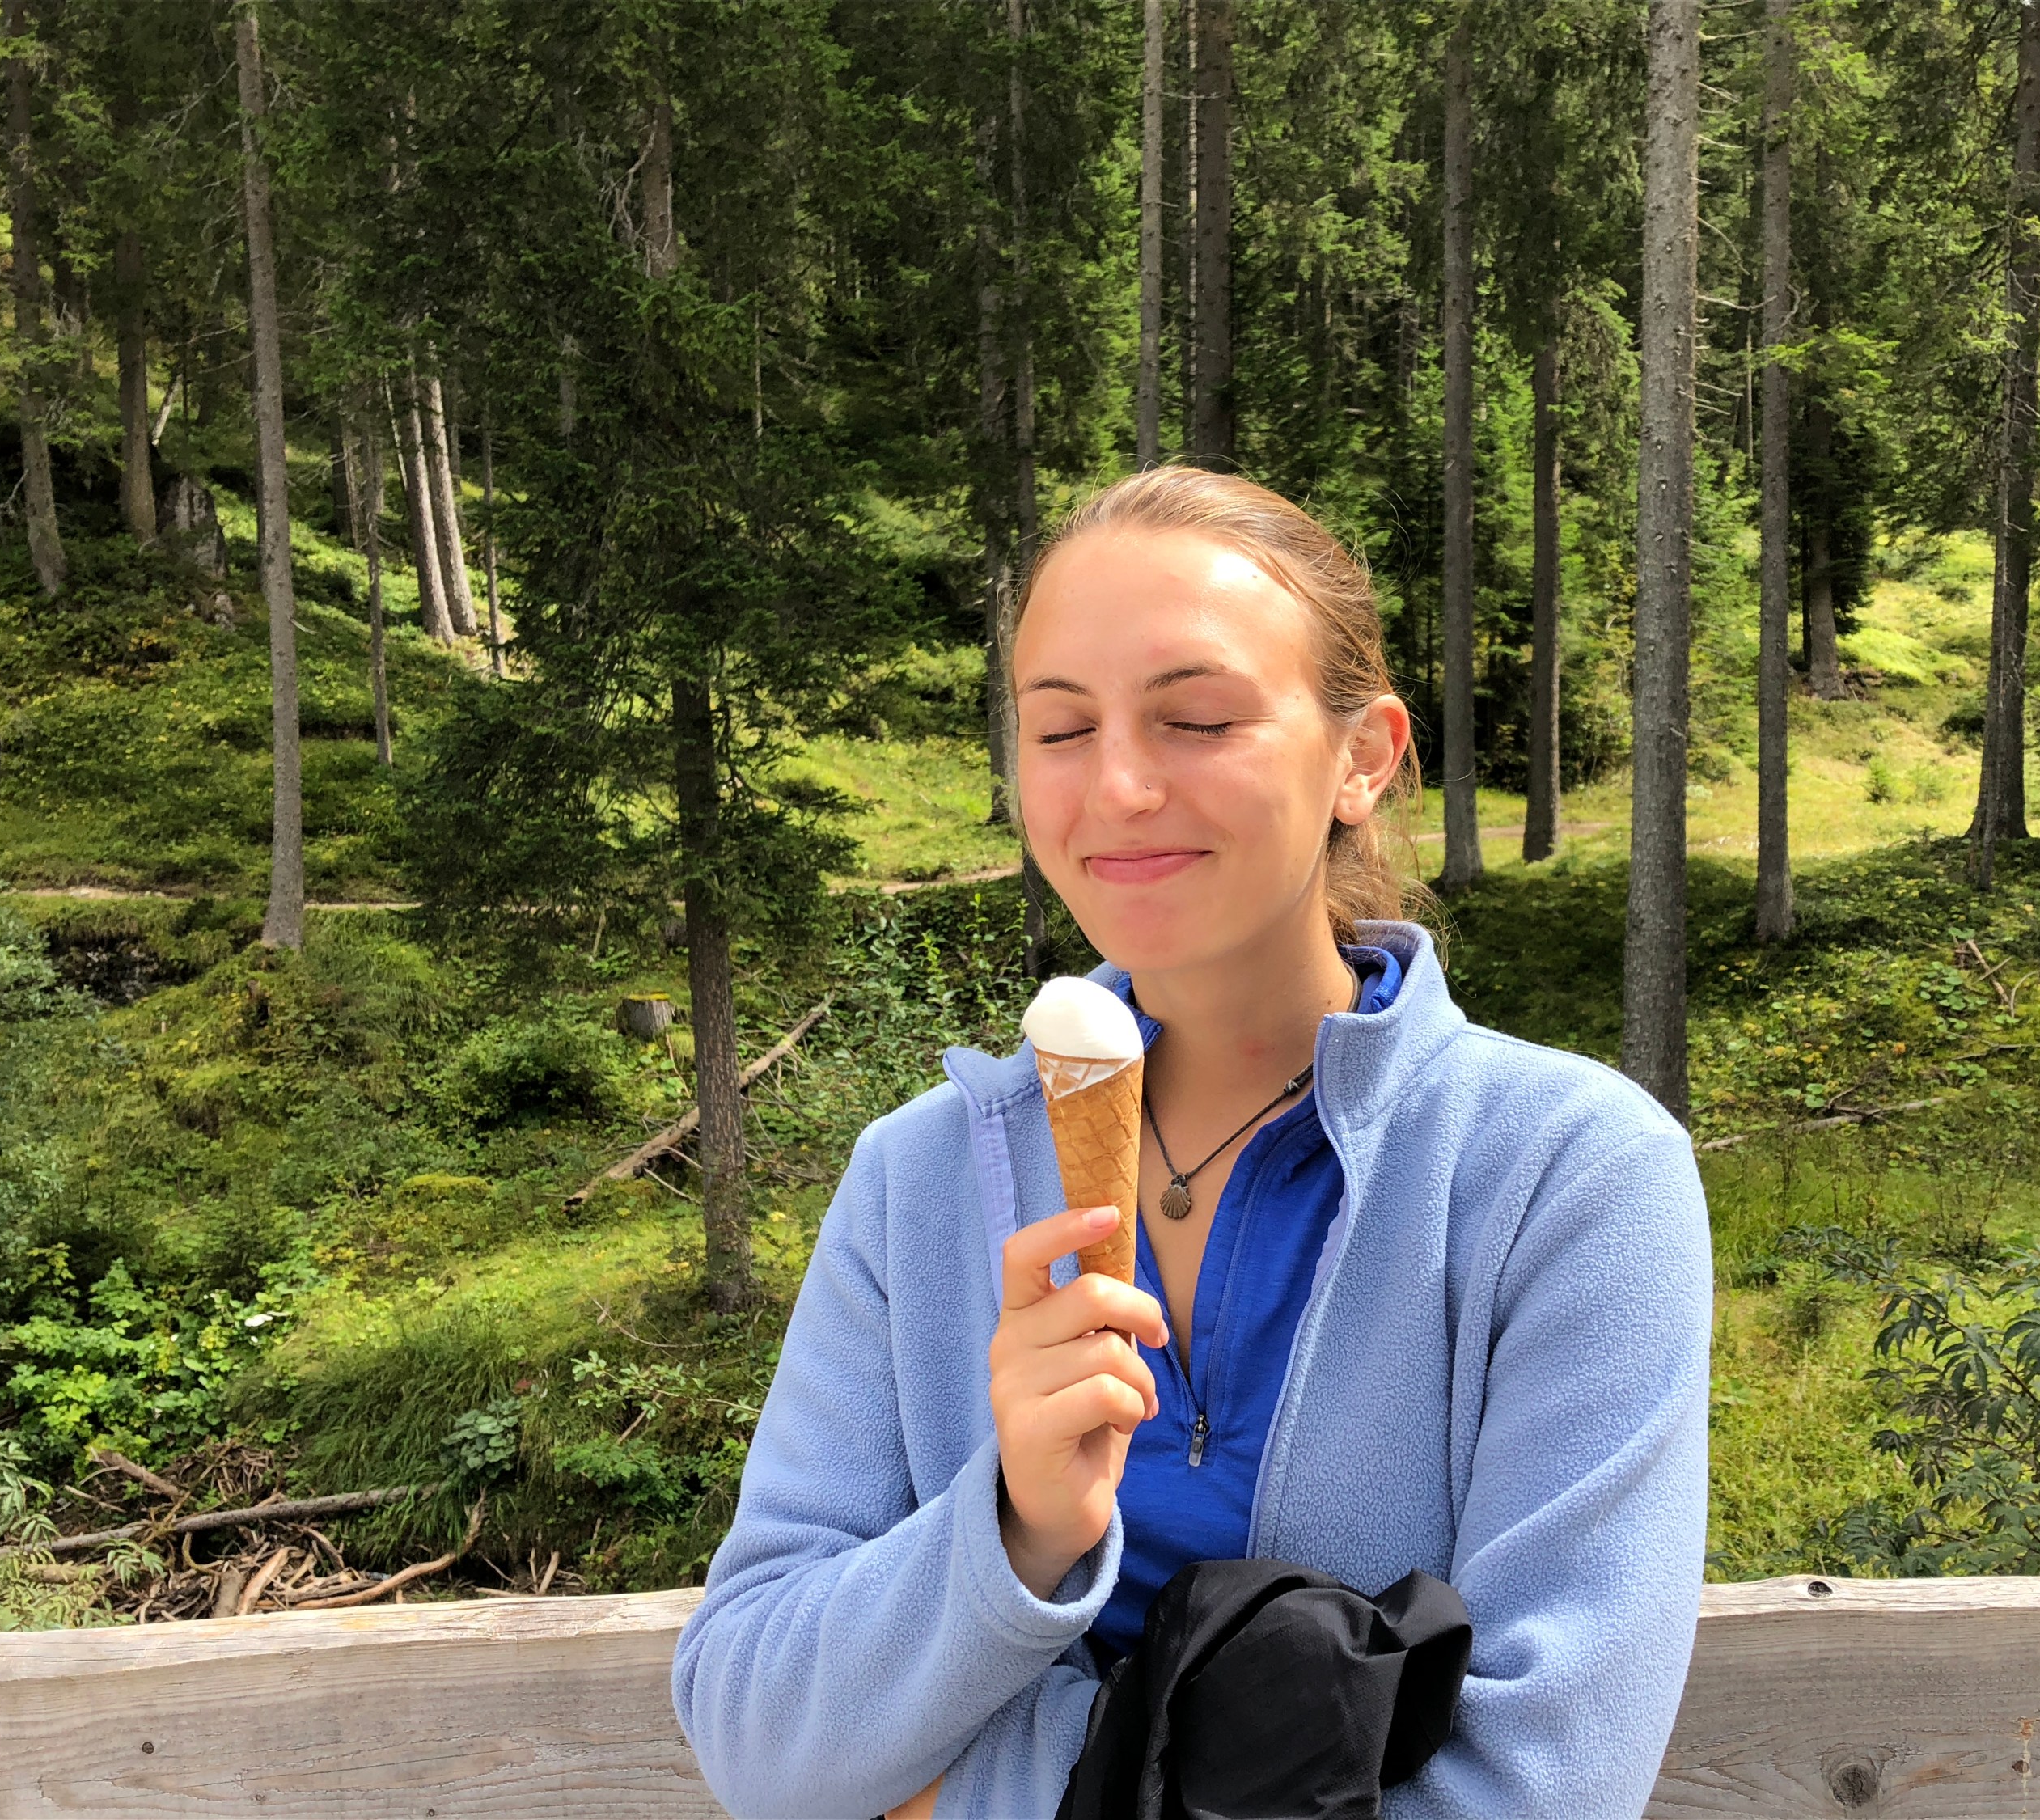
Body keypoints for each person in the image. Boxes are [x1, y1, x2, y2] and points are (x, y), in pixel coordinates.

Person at [673, 467, 1711, 1818]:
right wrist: (1018, 1530)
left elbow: (1545, 1783)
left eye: (1199, 718)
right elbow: (754, 1732)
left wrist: (955, 1791)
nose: (1116, 786)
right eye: (1059, 731)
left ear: (1364, 755)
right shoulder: (916, 1180)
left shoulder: (1568, 1181)